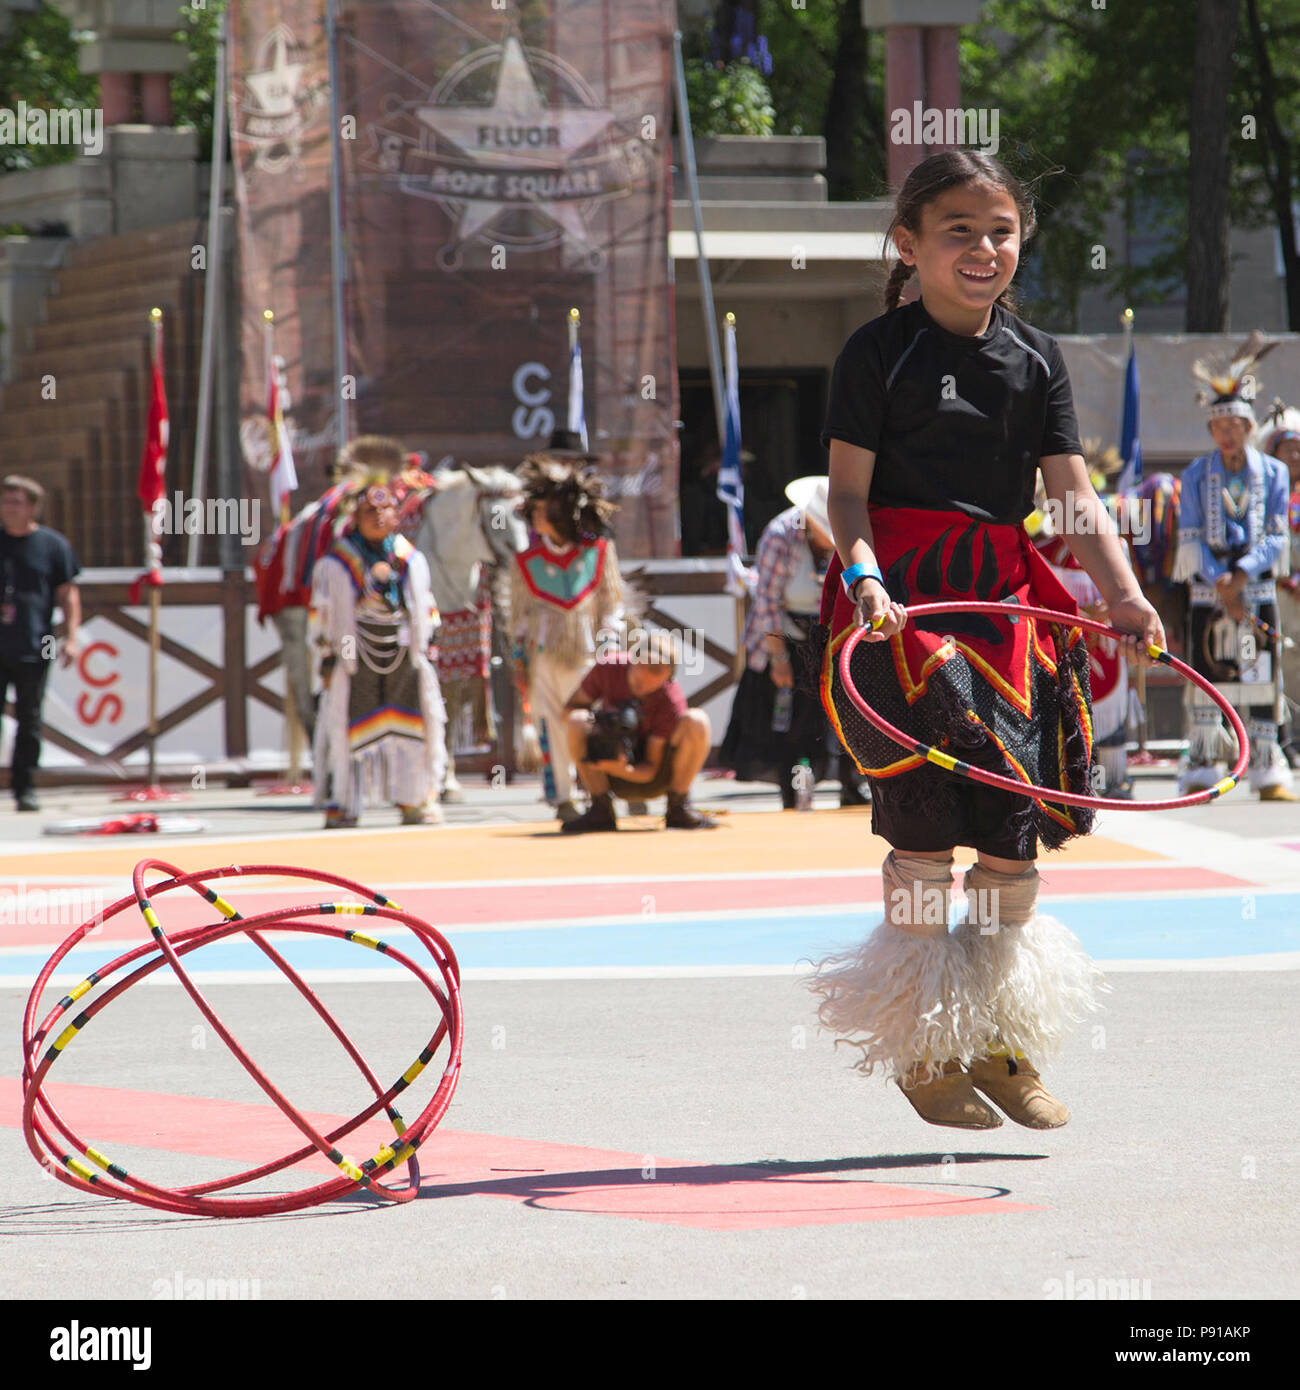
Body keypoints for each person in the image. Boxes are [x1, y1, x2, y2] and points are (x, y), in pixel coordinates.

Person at [805, 151, 1164, 1132]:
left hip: (1007, 621)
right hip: (900, 613)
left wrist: (1124, 594)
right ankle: (924, 1047)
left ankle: (1001, 1041)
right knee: (921, 836)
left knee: (1013, 844)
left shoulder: (1035, 357)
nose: (981, 248)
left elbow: (1072, 496)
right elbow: (844, 493)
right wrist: (865, 575)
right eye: (956, 229)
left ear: (1023, 243)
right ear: (908, 245)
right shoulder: (877, 354)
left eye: (999, 230)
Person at [1173, 349, 1296, 801]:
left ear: (1249, 429)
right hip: (1210, 589)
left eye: (1235, 427)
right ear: (1211, 430)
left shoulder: (1276, 473)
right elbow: (1189, 536)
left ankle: (1266, 766)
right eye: (1218, 428)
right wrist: (1221, 583)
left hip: (1255, 582)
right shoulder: (1195, 474)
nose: (1227, 435)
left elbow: (1277, 534)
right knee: (1210, 670)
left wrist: (1241, 577)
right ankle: (1207, 761)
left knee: (1260, 670)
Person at [719, 475, 870, 808]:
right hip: (785, 637)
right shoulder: (780, 534)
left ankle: (851, 782)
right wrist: (778, 659)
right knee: (791, 722)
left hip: (834, 633)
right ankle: (793, 790)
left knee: (845, 711)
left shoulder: (851, 535)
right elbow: (767, 600)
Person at [311, 478, 446, 827]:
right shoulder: (338, 562)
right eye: (370, 511)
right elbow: (324, 617)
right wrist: (329, 658)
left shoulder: (409, 559)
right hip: (355, 658)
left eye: (385, 510)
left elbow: (425, 607)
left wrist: (425, 645)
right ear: (355, 516)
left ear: (397, 515)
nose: (378, 517)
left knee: (411, 726)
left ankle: (413, 799)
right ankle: (345, 800)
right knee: (348, 727)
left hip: (404, 655)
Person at [511, 443, 630, 823]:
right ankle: (563, 795)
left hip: (588, 651)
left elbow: (612, 602)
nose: (535, 516)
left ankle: (604, 792)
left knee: (595, 723)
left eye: (543, 510)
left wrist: (610, 637)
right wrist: (520, 651)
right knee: (550, 720)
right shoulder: (527, 562)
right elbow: (519, 614)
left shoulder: (597, 552)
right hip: (545, 654)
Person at [560, 632, 717, 833]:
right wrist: (603, 722)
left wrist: (621, 768)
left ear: (668, 677)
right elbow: (567, 712)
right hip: (605, 770)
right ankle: (600, 809)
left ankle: (678, 807)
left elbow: (650, 769)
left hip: (652, 775)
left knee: (696, 721)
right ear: (631, 658)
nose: (645, 676)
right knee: (576, 720)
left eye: (655, 672)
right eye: (642, 666)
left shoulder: (670, 699)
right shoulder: (609, 668)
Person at [0, 476, 81, 811]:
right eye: (5, 501)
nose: (8, 508)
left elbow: (68, 594)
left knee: (30, 718)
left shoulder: (52, 545)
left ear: (32, 507)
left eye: (16, 502)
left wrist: (72, 638)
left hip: (38, 642)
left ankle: (25, 787)